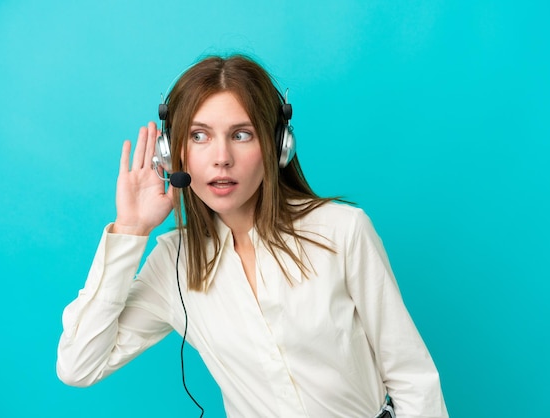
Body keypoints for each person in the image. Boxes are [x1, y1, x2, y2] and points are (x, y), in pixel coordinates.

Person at [56, 54, 449, 418]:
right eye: (199, 136)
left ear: (278, 145)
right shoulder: (174, 264)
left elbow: (413, 379)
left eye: (241, 134)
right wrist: (131, 229)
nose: (221, 156)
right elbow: (79, 365)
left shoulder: (342, 231)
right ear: (172, 153)